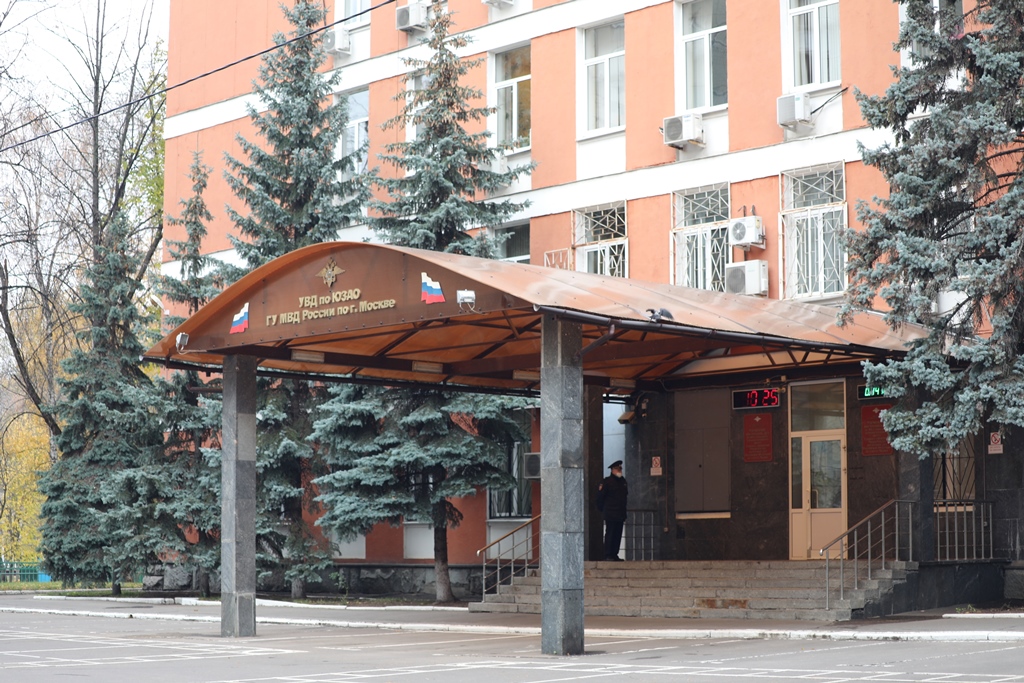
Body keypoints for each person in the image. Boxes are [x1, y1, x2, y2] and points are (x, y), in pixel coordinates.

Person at [596, 460, 628, 561]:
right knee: (610, 534)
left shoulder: (623, 482)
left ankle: (614, 554)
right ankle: (608, 554)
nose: (620, 471)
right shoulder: (607, 482)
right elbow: (600, 498)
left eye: (620, 469)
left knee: (617, 535)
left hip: (620, 513)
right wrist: (604, 510)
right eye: (618, 469)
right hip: (610, 513)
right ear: (613, 470)